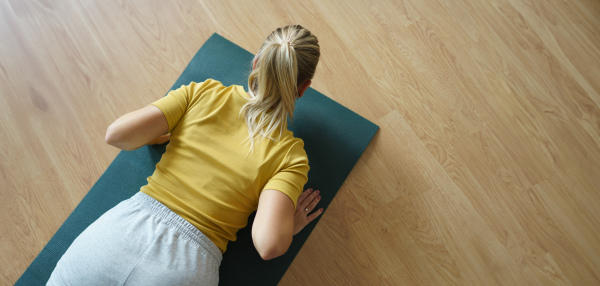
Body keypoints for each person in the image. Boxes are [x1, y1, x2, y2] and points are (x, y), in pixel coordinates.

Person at [47, 25, 322, 285]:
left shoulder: (203, 92)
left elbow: (117, 135)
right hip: (186, 266)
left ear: (256, 62)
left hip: (115, 238)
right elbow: (268, 245)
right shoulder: (290, 156)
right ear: (303, 87)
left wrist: (158, 133)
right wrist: (290, 225)